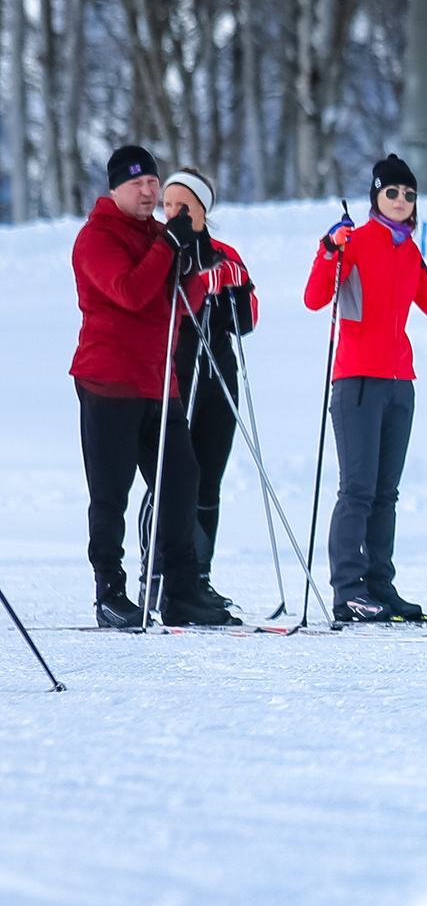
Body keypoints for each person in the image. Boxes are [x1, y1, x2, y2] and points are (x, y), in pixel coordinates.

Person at [71, 144, 228, 627]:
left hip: (159, 382)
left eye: (153, 182)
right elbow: (131, 293)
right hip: (109, 380)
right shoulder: (97, 237)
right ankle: (109, 591)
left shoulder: (161, 234)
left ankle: (180, 588)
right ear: (115, 188)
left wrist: (196, 261)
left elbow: (180, 303)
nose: (148, 191)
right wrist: (169, 246)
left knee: (182, 479)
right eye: (136, 183)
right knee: (111, 490)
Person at [303, 154, 427, 624]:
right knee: (359, 490)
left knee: (386, 492)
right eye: (393, 193)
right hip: (357, 380)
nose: (402, 202)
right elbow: (315, 299)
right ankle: (348, 589)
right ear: (375, 196)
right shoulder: (356, 242)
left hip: (398, 383)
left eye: (410, 196)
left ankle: (380, 586)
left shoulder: (410, 250)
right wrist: (329, 249)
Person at [161, 167, 259, 604]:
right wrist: (199, 281)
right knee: (171, 476)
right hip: (177, 376)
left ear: (202, 210)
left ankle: (199, 576)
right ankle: (159, 572)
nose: (174, 213)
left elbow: (246, 323)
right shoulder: (162, 250)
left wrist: (234, 291)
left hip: (218, 375)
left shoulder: (226, 254)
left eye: (183, 206)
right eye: (167, 205)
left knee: (208, 479)